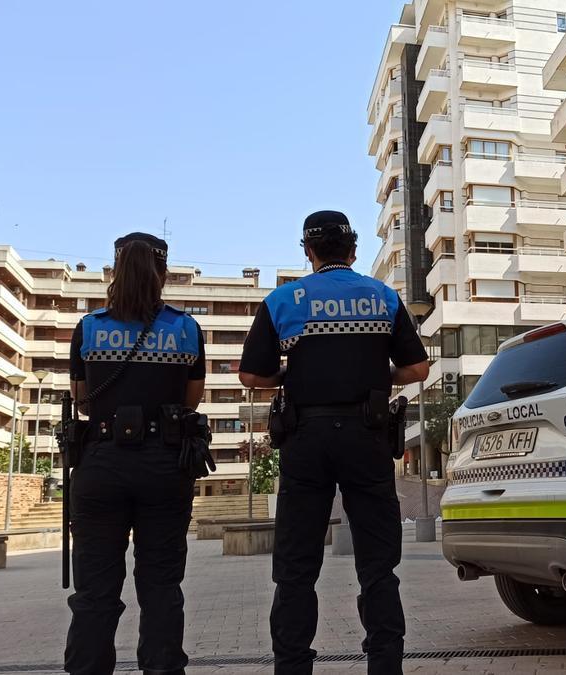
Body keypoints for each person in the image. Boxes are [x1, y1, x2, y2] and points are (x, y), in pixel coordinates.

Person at [239, 210, 429, 674]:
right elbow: (417, 369)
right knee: (378, 565)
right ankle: (385, 665)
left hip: (306, 438)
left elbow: (251, 375)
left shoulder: (284, 300)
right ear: (354, 250)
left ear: (308, 251)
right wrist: (377, 375)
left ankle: (293, 665)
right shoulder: (382, 296)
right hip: (366, 436)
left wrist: (290, 373)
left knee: (295, 567)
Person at [64, 232, 211, 675]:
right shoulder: (185, 328)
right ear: (163, 274)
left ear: (114, 271)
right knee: (162, 585)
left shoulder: (89, 327)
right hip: (165, 465)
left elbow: (83, 400)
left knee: (94, 591)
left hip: (101, 464)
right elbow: (192, 400)